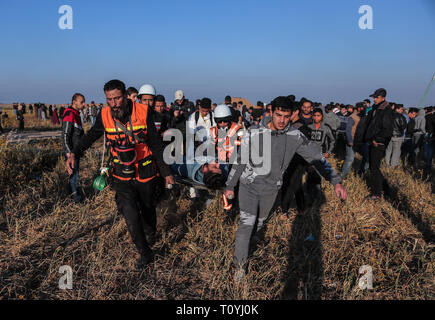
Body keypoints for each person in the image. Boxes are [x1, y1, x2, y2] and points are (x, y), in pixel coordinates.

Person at [224, 96, 347, 282]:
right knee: (246, 224)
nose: (282, 120)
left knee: (260, 223)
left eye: (286, 116)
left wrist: (336, 181)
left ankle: (253, 240)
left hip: (271, 190)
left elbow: (317, 158)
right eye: (278, 115)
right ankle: (240, 268)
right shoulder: (254, 132)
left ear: (292, 115)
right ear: (271, 112)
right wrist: (230, 186)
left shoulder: (295, 137)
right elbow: (240, 160)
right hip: (248, 185)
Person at [66, 80, 175, 269]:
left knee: (148, 207)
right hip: (122, 173)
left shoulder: (143, 111)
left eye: (117, 98)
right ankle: (145, 253)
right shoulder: (105, 114)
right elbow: (91, 135)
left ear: (125, 95)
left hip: (145, 171)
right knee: (130, 214)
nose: (114, 103)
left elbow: (156, 144)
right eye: (110, 99)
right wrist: (74, 152)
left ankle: (150, 232)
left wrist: (166, 173)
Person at [362, 88, 393, 201]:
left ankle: (377, 193)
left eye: (376, 97)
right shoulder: (377, 108)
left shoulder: (386, 110)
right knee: (374, 167)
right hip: (373, 141)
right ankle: (386, 190)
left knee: (374, 168)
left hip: (378, 143)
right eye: (374, 97)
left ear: (383, 98)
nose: (374, 99)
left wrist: (377, 139)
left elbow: (387, 130)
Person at [304, 108, 336, 195]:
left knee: (318, 174)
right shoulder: (309, 127)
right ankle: (308, 193)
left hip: (320, 154)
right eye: (314, 115)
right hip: (309, 155)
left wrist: (328, 152)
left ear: (322, 116)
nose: (316, 118)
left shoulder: (326, 128)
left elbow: (332, 140)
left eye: (318, 116)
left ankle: (317, 194)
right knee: (309, 174)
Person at [62, 94, 86, 203]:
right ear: (74, 102)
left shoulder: (77, 114)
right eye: (81, 102)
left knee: (75, 175)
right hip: (71, 152)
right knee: (73, 176)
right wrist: (68, 152)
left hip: (76, 151)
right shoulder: (69, 113)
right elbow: (65, 134)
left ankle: (75, 194)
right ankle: (75, 199)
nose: (84, 104)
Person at [341, 102, 365, 178]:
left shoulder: (364, 117)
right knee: (349, 159)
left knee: (367, 158)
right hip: (353, 141)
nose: (364, 109)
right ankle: (343, 176)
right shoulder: (353, 117)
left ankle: (360, 174)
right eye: (363, 107)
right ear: (359, 108)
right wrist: (350, 141)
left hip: (361, 141)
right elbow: (348, 129)